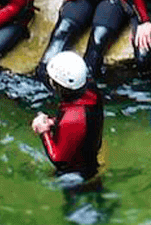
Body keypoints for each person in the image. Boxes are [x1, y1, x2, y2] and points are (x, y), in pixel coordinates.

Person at [31, 51, 104, 181]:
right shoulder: (91, 89)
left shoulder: (72, 119)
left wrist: (44, 131)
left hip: (77, 175)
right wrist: (53, 122)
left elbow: (59, 160)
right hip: (92, 151)